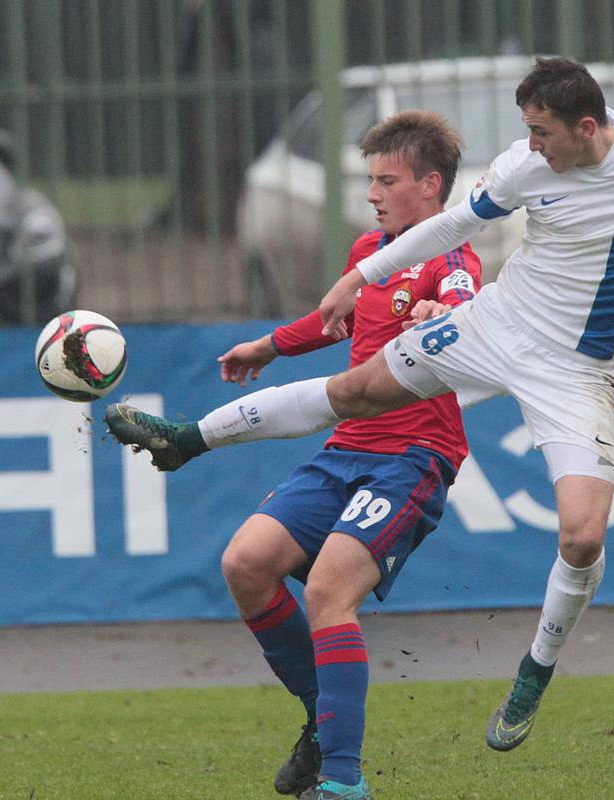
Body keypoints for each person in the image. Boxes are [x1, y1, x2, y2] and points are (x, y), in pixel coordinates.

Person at [107, 57, 614, 755]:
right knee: (353, 393)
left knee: (583, 535)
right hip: (498, 326)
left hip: (577, 372)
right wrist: (359, 277)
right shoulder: (524, 170)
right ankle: (188, 438)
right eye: (527, 130)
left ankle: (534, 672)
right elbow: (451, 225)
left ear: (586, 127)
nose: (530, 145)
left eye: (541, 131)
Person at [110, 110, 480, 800]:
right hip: (346, 449)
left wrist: (443, 316)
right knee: (245, 564)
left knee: (328, 592)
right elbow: (333, 320)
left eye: (387, 180)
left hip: (413, 457)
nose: (372, 193)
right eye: (370, 179)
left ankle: (342, 782)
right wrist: (269, 345)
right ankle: (322, 717)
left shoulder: (451, 256)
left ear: (430, 186)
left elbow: (465, 301)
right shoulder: (370, 251)